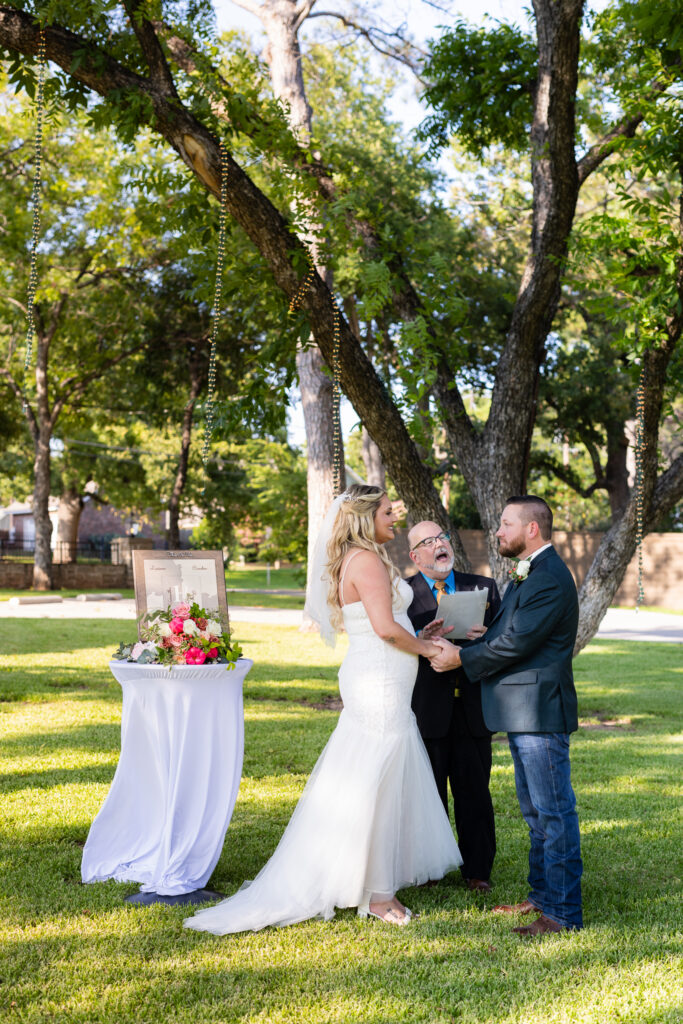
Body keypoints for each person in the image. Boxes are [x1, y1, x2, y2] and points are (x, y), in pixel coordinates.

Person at [184, 485, 461, 935]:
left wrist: (421, 629)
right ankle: (378, 895)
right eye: (389, 513)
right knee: (376, 779)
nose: (395, 519)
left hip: (383, 676)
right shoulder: (366, 560)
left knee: (374, 776)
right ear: (365, 516)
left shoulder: (362, 556)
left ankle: (372, 882)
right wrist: (430, 648)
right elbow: (386, 630)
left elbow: (388, 622)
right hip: (381, 681)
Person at [429, 496, 582, 936]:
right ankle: (541, 896)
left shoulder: (549, 577)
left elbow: (520, 644)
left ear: (532, 529)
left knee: (554, 813)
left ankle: (563, 913)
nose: (498, 530)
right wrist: (485, 633)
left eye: (506, 523)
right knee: (536, 813)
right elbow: (512, 631)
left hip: (539, 712)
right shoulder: (530, 571)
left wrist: (463, 657)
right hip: (522, 711)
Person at [405, 521, 500, 892]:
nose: (439, 545)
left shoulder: (484, 587)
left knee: (475, 792)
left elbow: (504, 640)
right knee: (429, 794)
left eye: (442, 537)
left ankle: (478, 871)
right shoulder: (403, 594)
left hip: (474, 707)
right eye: (428, 542)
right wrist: (419, 637)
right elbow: (392, 642)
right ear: (415, 556)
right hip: (427, 708)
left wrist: (485, 638)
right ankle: (430, 870)